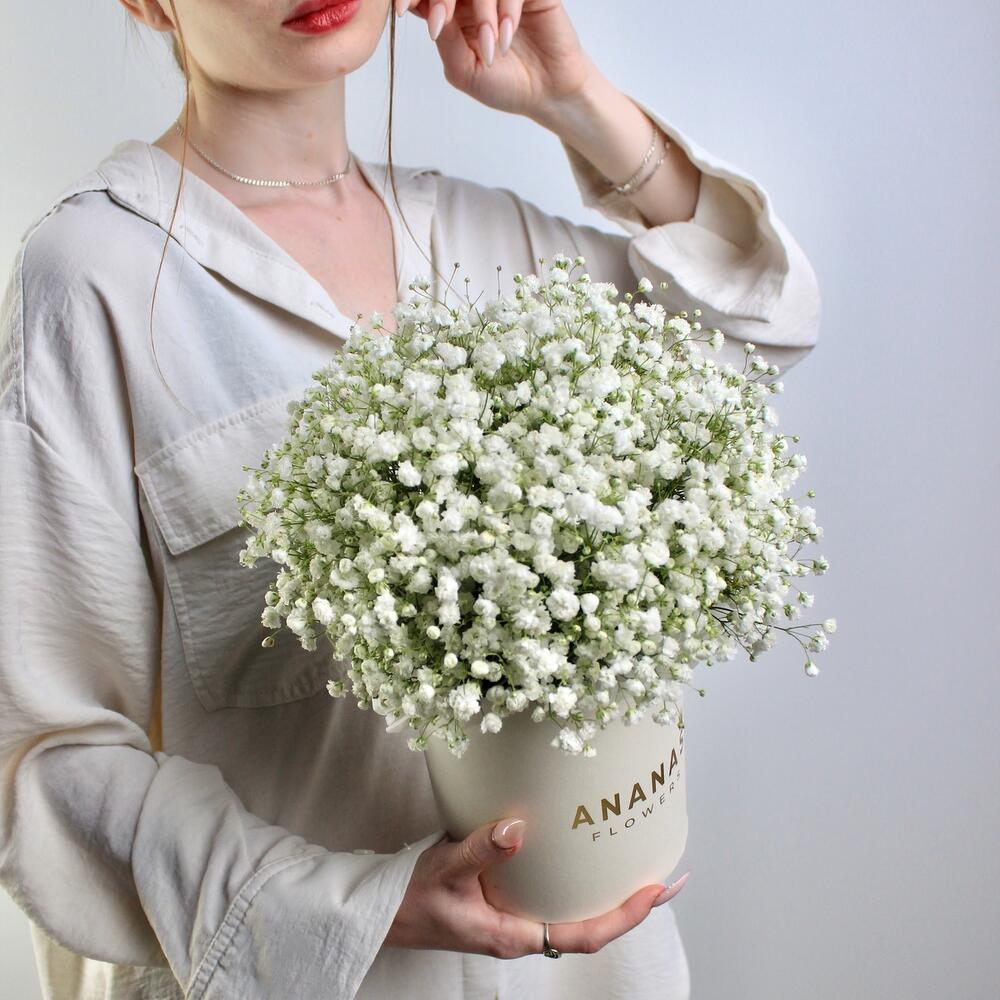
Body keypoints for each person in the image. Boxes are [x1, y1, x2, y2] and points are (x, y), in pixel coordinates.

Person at [0, 1, 822, 997]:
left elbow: (764, 326)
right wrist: (361, 906)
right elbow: (47, 759)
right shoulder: (94, 277)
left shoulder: (479, 236)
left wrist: (571, 96)